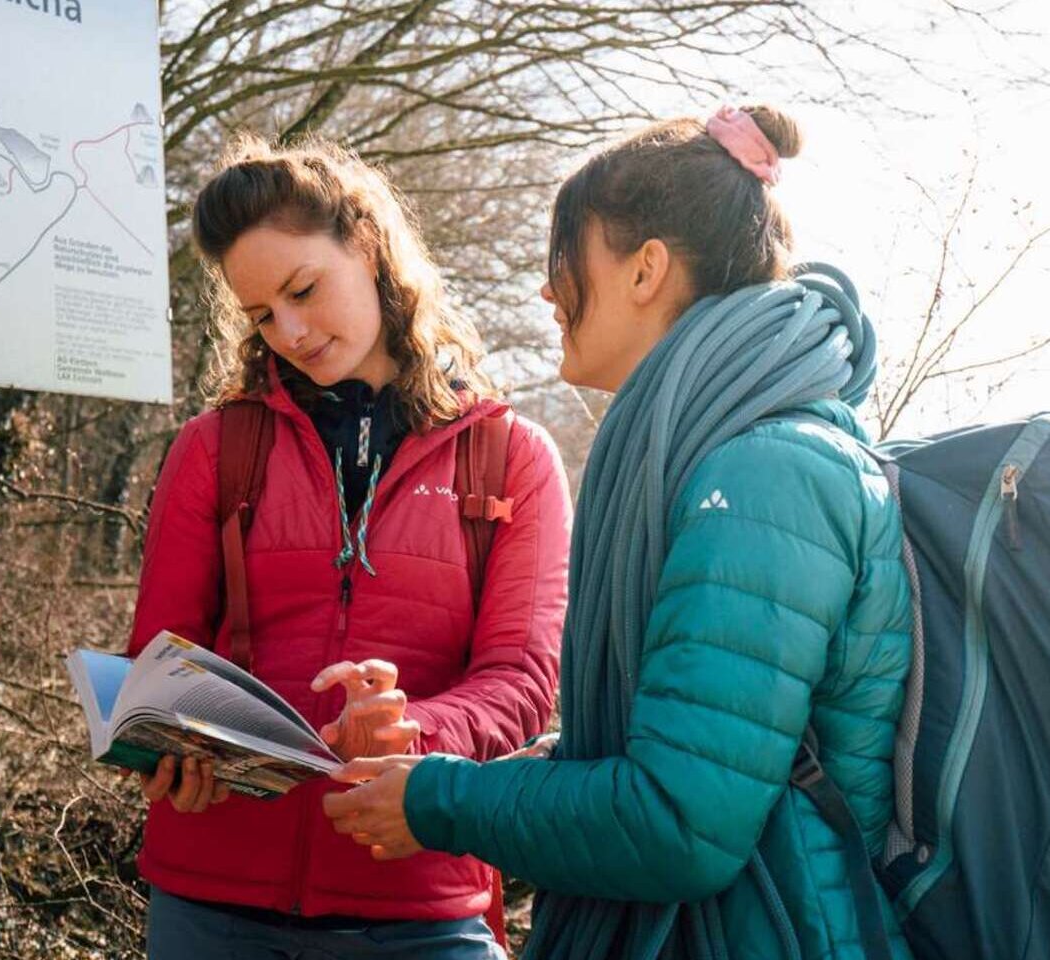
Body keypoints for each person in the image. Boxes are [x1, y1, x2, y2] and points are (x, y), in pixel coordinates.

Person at [323, 104, 916, 960]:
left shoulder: (765, 477)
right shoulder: (722, 456)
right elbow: (673, 748)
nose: (546, 288)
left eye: (566, 257)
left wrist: (438, 803)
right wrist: (453, 779)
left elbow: (679, 820)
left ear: (646, 271)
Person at [125, 135, 572, 958]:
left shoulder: (514, 458)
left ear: (368, 247)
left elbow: (522, 684)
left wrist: (412, 729)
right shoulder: (213, 447)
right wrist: (163, 747)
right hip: (211, 902)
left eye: (303, 289)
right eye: (261, 314)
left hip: (420, 903)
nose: (289, 331)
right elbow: (159, 653)